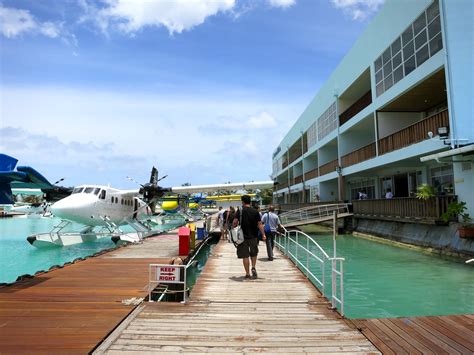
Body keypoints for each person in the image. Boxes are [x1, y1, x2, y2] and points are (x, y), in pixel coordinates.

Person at [233, 195, 266, 279]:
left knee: (245, 256)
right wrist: (263, 234)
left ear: (243, 202)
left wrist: (233, 230)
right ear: (250, 202)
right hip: (253, 236)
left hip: (242, 237)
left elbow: (235, 222)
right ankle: (253, 267)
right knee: (254, 253)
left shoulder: (240, 211)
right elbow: (260, 224)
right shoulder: (255, 211)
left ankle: (247, 274)